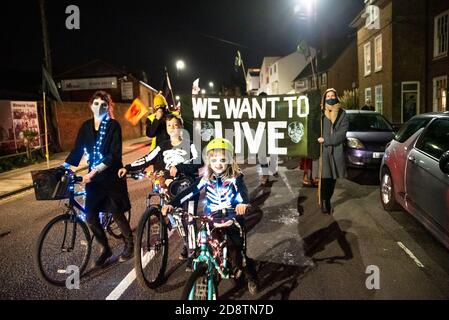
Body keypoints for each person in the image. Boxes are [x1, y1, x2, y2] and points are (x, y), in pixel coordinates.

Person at [161, 138, 259, 295]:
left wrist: (243, 204)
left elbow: (242, 192)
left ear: (230, 160)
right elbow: (189, 192)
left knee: (237, 254)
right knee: (204, 245)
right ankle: (210, 270)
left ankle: (251, 275)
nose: (218, 163)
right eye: (214, 159)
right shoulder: (206, 178)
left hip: (232, 218)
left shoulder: (235, 177)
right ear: (208, 161)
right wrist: (172, 203)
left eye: (222, 159)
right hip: (212, 218)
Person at [119, 114, 202, 266]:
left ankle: (193, 254)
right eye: (169, 125)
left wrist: (180, 167)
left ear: (181, 127)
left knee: (188, 220)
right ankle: (187, 243)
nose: (172, 128)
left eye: (176, 125)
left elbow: (199, 161)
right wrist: (128, 167)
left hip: (188, 187)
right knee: (177, 220)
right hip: (168, 187)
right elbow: (147, 158)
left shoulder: (190, 144)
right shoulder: (162, 145)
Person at [63, 91, 133, 266]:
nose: (99, 107)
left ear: (108, 107)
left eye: (104, 104)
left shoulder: (113, 126)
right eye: (96, 103)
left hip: (110, 176)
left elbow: (114, 155)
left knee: (116, 212)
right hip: (94, 180)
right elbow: (78, 150)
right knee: (90, 216)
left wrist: (93, 172)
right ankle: (106, 248)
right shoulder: (86, 126)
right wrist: (65, 168)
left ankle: (130, 244)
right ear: (90, 105)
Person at [318, 88, 349, 214]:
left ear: (336, 97)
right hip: (324, 151)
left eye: (333, 96)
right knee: (325, 177)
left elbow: (342, 133)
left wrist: (326, 139)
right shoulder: (320, 114)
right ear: (324, 98)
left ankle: (328, 198)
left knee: (333, 178)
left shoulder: (342, 114)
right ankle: (325, 202)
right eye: (328, 96)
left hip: (336, 150)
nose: (330, 98)